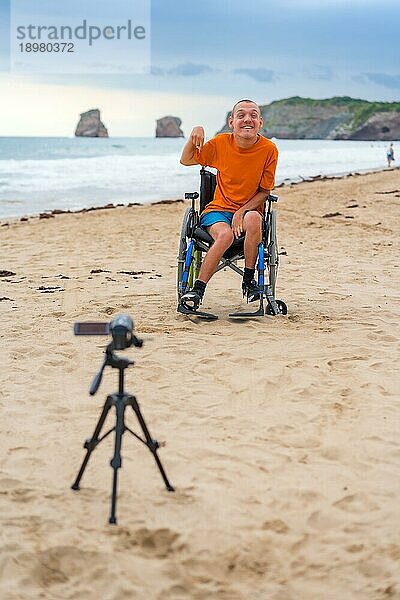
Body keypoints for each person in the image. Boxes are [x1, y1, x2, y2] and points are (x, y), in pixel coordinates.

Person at [179, 99, 278, 310]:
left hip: (251, 212)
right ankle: (197, 290)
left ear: (260, 122)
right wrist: (194, 133)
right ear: (231, 122)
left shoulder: (269, 149)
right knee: (226, 235)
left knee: (252, 219)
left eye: (253, 115)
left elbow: (265, 191)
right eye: (241, 115)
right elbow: (186, 160)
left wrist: (241, 212)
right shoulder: (221, 144)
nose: (247, 119)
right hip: (218, 211)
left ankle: (249, 282)